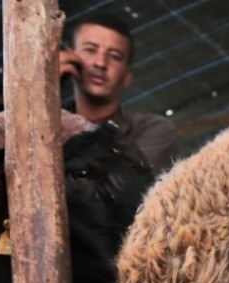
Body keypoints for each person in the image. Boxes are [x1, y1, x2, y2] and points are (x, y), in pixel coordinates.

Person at [59, 13, 179, 170]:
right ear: (69, 56)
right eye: (90, 50)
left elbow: (127, 178)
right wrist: (44, 88)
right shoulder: (45, 122)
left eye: (115, 56)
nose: (101, 63)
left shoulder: (154, 130)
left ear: (128, 75)